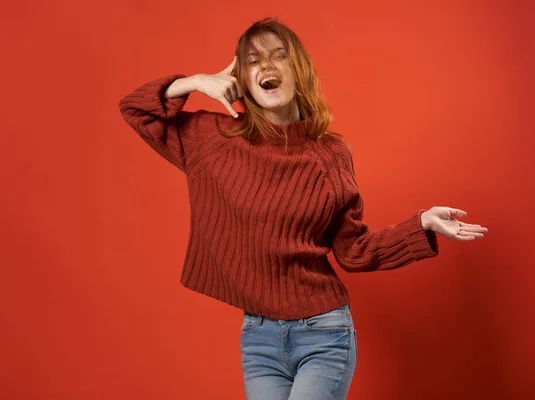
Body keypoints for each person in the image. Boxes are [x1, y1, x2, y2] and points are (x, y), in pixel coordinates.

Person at [118, 17, 488, 400]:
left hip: (324, 334)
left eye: (279, 56)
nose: (267, 66)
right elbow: (135, 110)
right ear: (242, 80)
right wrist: (194, 82)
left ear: (298, 72)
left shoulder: (330, 155)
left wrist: (421, 225)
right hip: (258, 339)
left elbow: (353, 251)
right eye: (253, 60)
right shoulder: (213, 141)